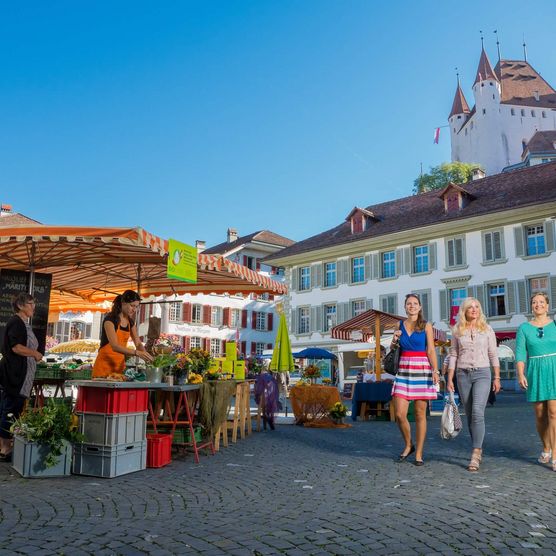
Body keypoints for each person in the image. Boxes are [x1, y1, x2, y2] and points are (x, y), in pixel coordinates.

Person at [447, 297, 500, 472]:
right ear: (464, 311)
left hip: (483, 373)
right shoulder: (457, 330)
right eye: (470, 307)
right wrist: (449, 378)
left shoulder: (487, 329)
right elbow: (453, 354)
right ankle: (477, 445)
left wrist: (497, 377)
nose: (474, 309)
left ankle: (476, 453)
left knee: (478, 411)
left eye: (477, 306)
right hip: (462, 375)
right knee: (470, 414)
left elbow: (493, 354)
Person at [391, 293, 439, 466]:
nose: (412, 306)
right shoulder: (398, 324)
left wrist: (435, 370)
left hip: (422, 369)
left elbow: (431, 350)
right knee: (399, 414)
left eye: (415, 303)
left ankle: (418, 453)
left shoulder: (426, 325)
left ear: (420, 307)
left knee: (420, 413)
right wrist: (394, 339)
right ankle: (408, 444)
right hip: (404, 369)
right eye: (409, 304)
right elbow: (393, 347)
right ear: (405, 307)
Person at [0, 293, 43, 462]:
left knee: (11, 408)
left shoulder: (23, 323)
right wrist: (35, 353)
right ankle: (5, 448)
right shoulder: (16, 322)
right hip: (14, 375)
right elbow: (16, 347)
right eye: (30, 304)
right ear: (20, 306)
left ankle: (4, 446)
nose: (33, 307)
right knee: (11, 410)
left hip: (20, 374)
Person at [516, 292, 556, 471]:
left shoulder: (555, 324)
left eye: (541, 302)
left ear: (548, 306)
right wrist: (520, 373)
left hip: (554, 368)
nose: (538, 304)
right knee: (540, 413)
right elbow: (520, 353)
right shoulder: (524, 328)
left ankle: (555, 454)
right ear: (531, 306)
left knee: (554, 412)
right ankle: (546, 447)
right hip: (535, 369)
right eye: (534, 302)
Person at [92, 290, 152, 379]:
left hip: (118, 368)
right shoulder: (110, 320)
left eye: (136, 307)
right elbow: (115, 346)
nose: (134, 310)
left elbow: (138, 343)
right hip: (103, 367)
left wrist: (147, 355)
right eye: (132, 306)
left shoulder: (130, 322)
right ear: (123, 303)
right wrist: (136, 353)